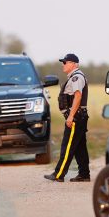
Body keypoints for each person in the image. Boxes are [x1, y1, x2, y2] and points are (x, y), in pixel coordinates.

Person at [44, 53, 90, 182]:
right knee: (80, 147)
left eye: (65, 62)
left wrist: (70, 116)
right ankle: (84, 174)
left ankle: (59, 174)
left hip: (76, 117)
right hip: (79, 117)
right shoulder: (74, 77)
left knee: (67, 146)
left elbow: (78, 96)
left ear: (74, 64)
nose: (63, 65)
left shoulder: (76, 78)